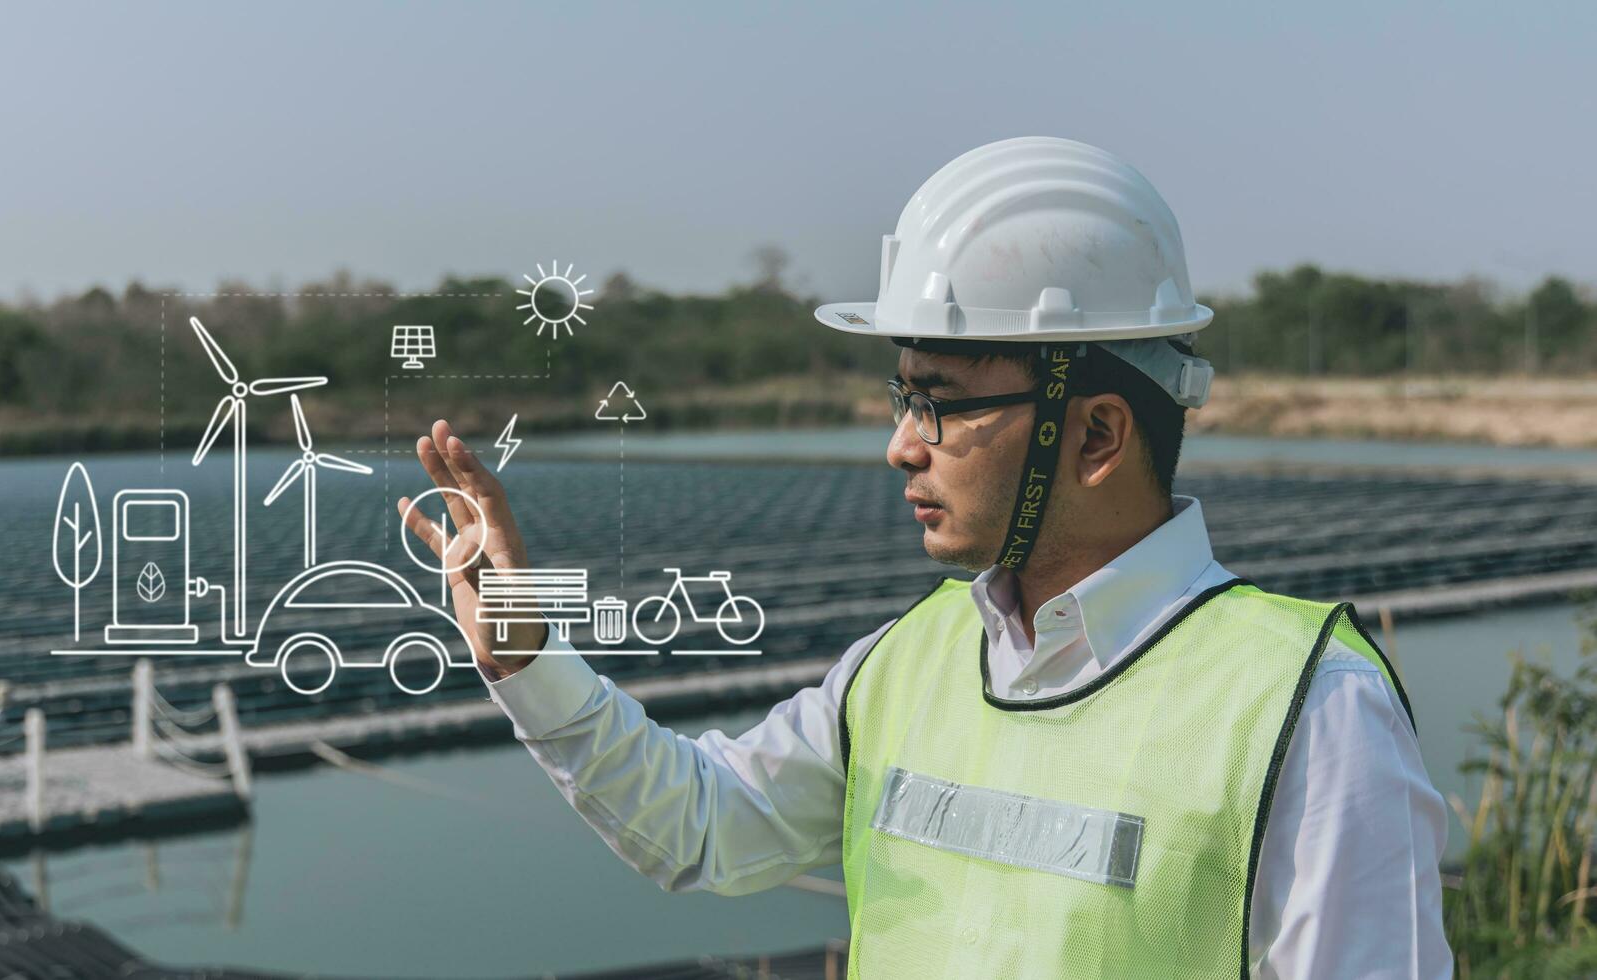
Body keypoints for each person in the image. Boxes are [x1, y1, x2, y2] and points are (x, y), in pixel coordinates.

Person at [398, 137, 1452, 978]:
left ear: (1093, 436)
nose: (899, 442)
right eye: (902, 394)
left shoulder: (1307, 712)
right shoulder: (904, 665)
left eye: (941, 402)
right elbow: (701, 826)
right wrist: (526, 654)